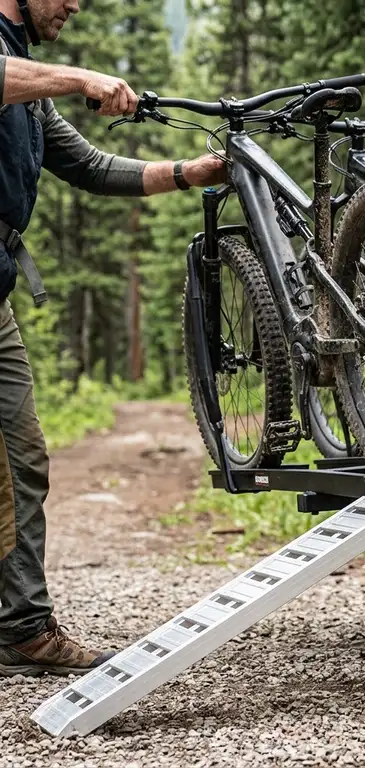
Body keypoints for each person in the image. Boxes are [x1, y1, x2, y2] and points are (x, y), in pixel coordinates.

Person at [0, 0, 226, 677]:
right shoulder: (24, 68)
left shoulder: (30, 89)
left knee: (22, 457)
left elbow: (94, 168)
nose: (74, 4)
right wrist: (76, 76)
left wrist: (189, 172)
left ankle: (21, 628)